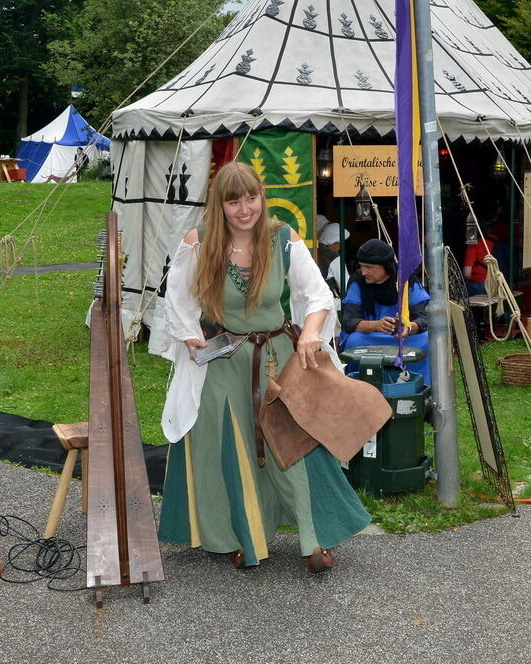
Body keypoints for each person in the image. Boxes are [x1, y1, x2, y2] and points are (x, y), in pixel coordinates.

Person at [157, 161, 370, 573]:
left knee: (295, 447)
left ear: (261, 197)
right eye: (233, 201)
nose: (244, 209)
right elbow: (177, 299)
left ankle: (313, 540)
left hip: (277, 359)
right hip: (225, 360)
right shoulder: (199, 242)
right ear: (219, 204)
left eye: (251, 198)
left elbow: (319, 296)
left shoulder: (282, 238)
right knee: (230, 446)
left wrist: (310, 334)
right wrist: (188, 335)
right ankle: (242, 536)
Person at [341, 238, 431, 383]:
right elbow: (349, 321)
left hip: (402, 339)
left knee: (425, 339)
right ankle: (357, 388)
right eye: (361, 266)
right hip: (369, 338)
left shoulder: (406, 280)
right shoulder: (357, 282)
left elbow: (423, 318)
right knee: (354, 340)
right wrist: (376, 325)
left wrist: (408, 327)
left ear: (385, 266)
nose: (363, 272)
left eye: (369, 267)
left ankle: (420, 386)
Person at [462, 227, 498, 296]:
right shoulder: (496, 241)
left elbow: (467, 273)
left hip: (479, 284)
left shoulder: (473, 244)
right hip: (495, 283)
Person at [318, 222, 350, 297]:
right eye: (339, 243)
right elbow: (345, 286)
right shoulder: (334, 257)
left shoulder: (317, 251)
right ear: (332, 242)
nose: (340, 247)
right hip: (330, 300)